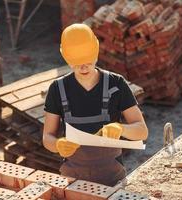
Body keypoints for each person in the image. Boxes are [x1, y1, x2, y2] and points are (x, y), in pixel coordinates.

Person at [43, 23, 148, 186]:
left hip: (113, 179)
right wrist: (57, 144)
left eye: (88, 61)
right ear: (66, 58)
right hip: (73, 180)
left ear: (96, 52)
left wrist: (121, 128)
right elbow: (47, 136)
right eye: (77, 63)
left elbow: (142, 131)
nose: (83, 67)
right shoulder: (58, 89)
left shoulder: (116, 84)